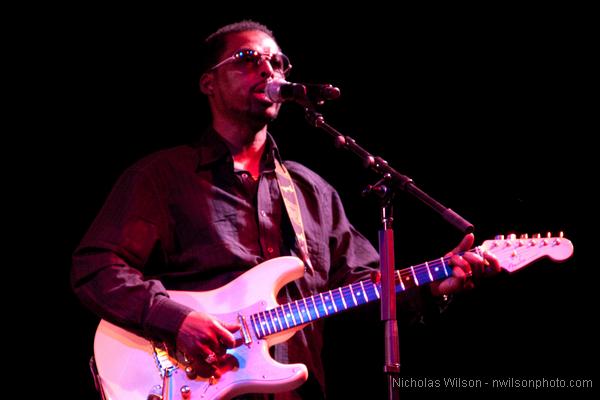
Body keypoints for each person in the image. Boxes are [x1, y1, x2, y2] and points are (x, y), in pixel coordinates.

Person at [71, 20, 499, 399]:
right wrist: (177, 320)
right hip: (187, 382)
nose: (268, 70)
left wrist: (436, 282)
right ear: (208, 83)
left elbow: (364, 288)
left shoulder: (313, 191)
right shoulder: (162, 177)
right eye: (248, 58)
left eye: (278, 62)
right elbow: (97, 268)